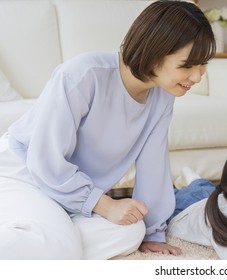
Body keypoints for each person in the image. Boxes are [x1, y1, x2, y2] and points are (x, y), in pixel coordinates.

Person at [0, 0, 215, 259]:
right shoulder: (84, 74)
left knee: (131, 231)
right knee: (60, 246)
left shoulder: (162, 97)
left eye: (203, 64)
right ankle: (54, 241)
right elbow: (45, 160)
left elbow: (154, 166)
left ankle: (51, 239)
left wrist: (153, 232)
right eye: (187, 66)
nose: (197, 77)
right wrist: (103, 204)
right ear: (154, 51)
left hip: (72, 194)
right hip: (27, 176)